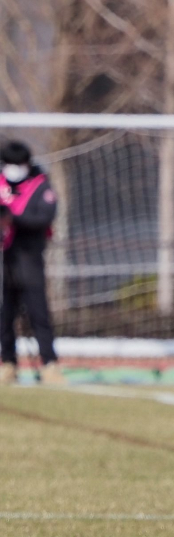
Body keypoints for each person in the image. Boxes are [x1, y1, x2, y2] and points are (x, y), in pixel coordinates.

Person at [0, 140, 62, 385]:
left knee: (39, 314)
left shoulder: (40, 185)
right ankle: (8, 363)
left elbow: (44, 217)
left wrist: (12, 218)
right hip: (6, 259)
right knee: (4, 315)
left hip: (30, 259)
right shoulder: (1, 183)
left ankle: (49, 364)